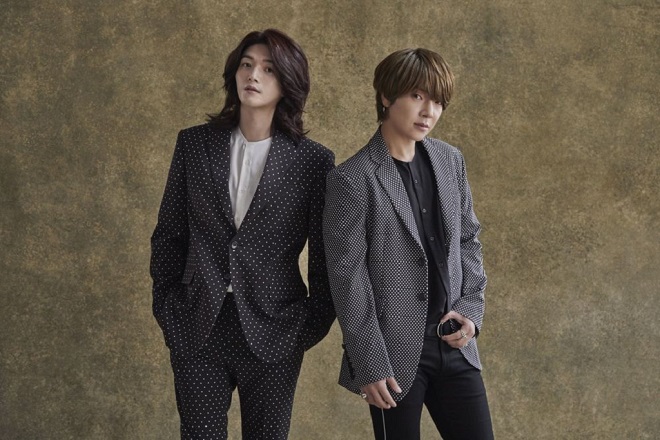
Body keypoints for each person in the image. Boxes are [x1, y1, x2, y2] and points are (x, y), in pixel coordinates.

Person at [150, 29, 335, 439]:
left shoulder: (314, 162)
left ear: (288, 83)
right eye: (247, 65)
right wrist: (167, 306)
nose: (253, 75)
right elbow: (169, 234)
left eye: (269, 69)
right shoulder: (194, 144)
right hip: (198, 322)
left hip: (276, 328)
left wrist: (306, 328)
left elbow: (326, 257)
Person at [323, 48, 494, 439]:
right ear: (386, 96)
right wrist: (368, 362)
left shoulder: (450, 160)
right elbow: (348, 279)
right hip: (392, 357)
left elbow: (468, 240)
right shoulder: (352, 179)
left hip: (455, 343)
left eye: (438, 101)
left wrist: (471, 311)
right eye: (417, 96)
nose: (428, 111)